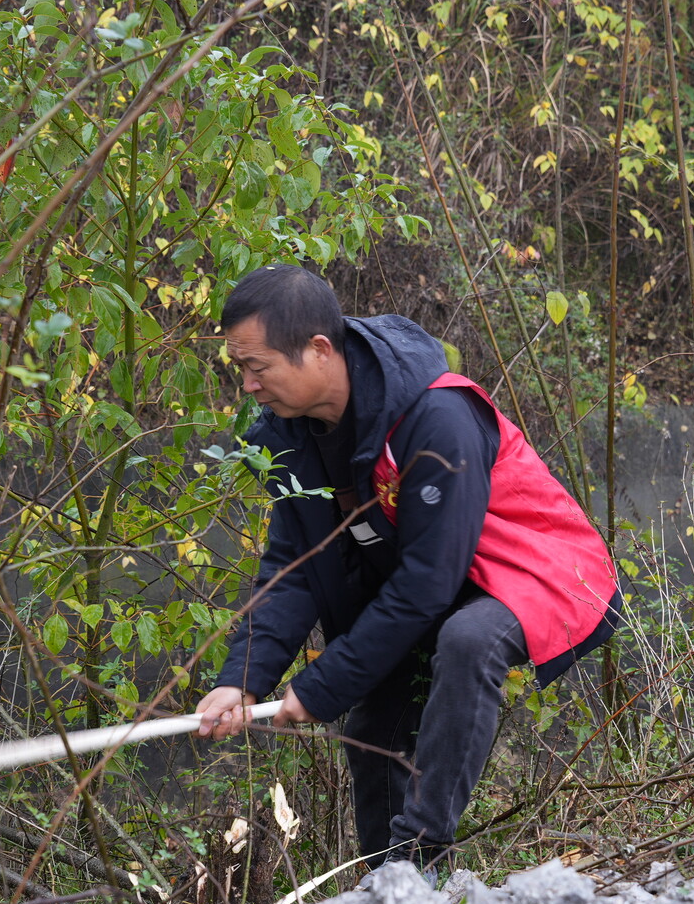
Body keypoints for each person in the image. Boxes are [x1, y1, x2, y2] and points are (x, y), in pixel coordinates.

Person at [192, 265, 618, 871]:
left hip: (534, 568)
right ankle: (395, 885)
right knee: (373, 724)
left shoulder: (436, 415)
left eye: (258, 367)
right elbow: (295, 566)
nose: (248, 386)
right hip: (434, 581)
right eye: (241, 369)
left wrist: (319, 687)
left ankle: (419, 850)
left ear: (318, 350)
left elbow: (427, 582)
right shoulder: (290, 438)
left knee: (469, 641)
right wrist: (243, 678)